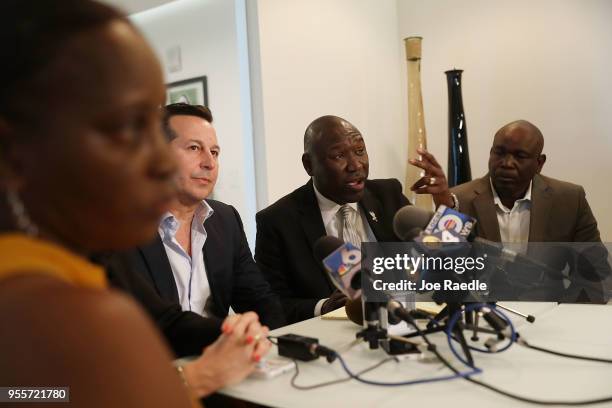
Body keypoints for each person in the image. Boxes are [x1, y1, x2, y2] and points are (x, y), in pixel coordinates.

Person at [0, 1, 270, 406]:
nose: (162, 161)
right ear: (15, 150)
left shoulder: (92, 252)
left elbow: (33, 396)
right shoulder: (70, 316)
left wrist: (231, 334)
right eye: (129, 127)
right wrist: (194, 377)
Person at [255, 115, 453, 323]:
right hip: (329, 341)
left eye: (360, 151)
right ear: (309, 165)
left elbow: (440, 259)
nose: (355, 165)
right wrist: (324, 306)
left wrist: (444, 202)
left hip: (400, 326)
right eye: (339, 156)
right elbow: (269, 305)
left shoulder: (387, 195)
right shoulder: (278, 221)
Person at [126, 103, 285, 329]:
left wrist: (276, 345)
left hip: (222, 355)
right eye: (194, 148)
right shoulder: (122, 228)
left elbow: (260, 300)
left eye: (214, 152)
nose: (209, 163)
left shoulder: (225, 219)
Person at [418, 120, 610, 302]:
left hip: (549, 320)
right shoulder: (458, 200)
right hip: (482, 318)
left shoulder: (569, 199)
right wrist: (446, 210)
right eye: (499, 153)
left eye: (520, 156)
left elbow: (597, 274)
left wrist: (565, 316)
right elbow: (433, 275)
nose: (507, 163)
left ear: (539, 163)